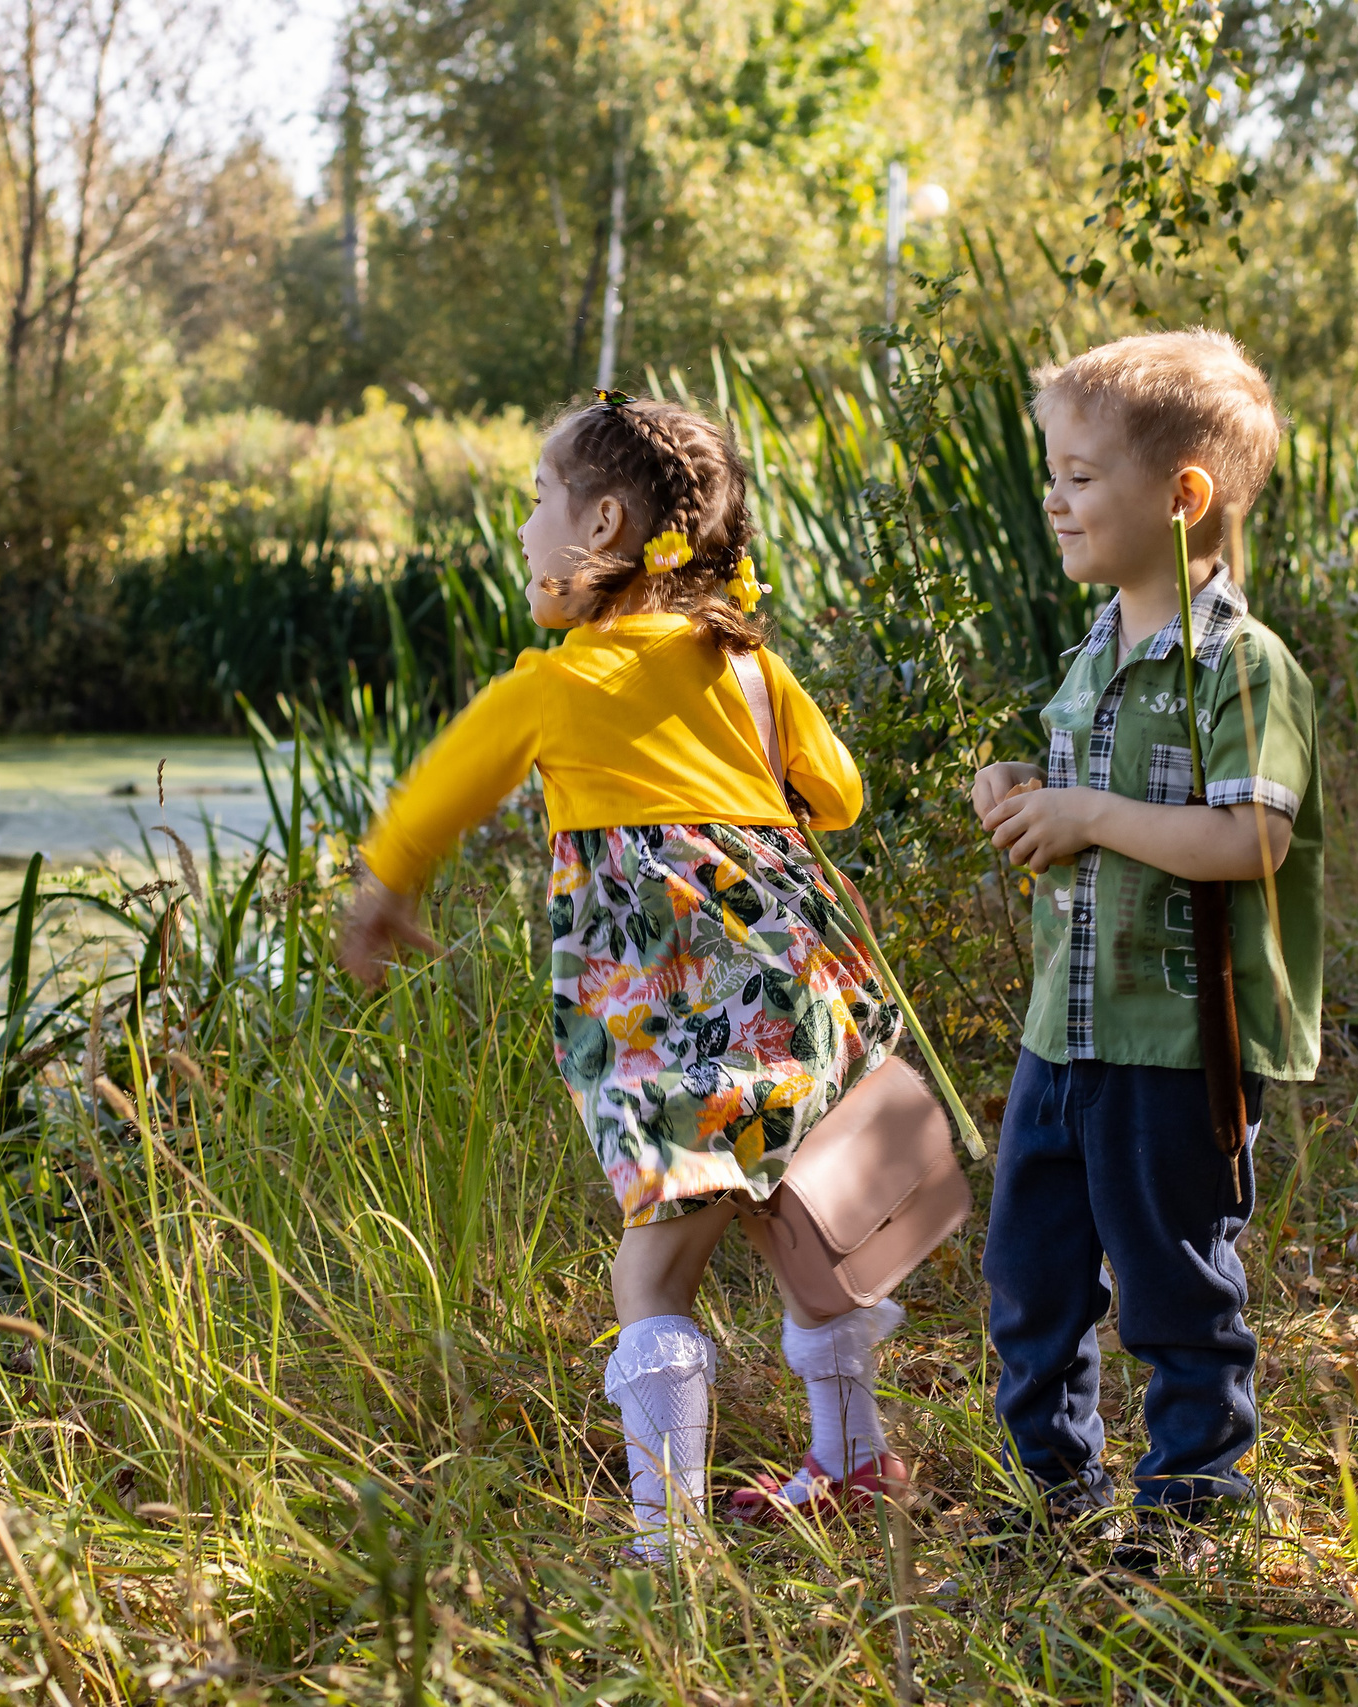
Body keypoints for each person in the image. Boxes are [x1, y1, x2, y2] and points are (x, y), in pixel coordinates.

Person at [338, 391, 909, 1560]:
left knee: (655, 1264)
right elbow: (840, 796)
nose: (528, 528)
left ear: (601, 526)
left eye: (538, 502)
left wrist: (381, 897)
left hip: (665, 1009)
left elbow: (434, 800)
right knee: (798, 1226)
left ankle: (670, 1537)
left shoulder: (552, 686)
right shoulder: (752, 672)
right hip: (793, 988)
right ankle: (853, 1460)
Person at [968, 330, 1323, 1564]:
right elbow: (1084, 824)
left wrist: (1089, 816)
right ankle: (1048, 1494)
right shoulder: (1090, 658)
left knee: (1175, 1285)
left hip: (1174, 1036)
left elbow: (1250, 843)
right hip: (1059, 1029)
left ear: (1181, 498)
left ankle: (1192, 1510)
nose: (1053, 501)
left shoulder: (1242, 667)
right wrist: (1025, 792)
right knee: (1032, 1279)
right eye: (1051, 474)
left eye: (1078, 476)